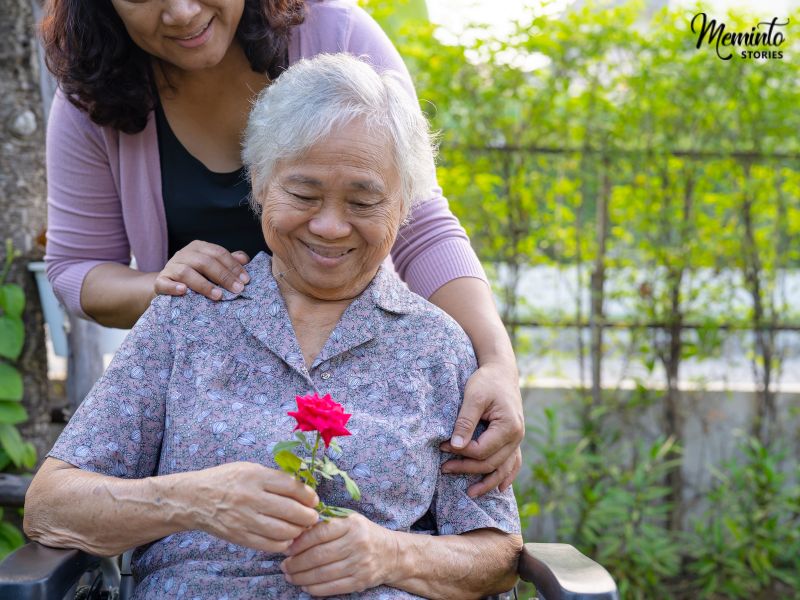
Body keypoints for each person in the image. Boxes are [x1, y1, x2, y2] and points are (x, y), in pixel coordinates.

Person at [25, 53, 523, 599]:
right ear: (260, 184)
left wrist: (392, 553)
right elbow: (50, 505)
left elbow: (496, 555)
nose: (330, 226)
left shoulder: (439, 347)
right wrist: (193, 500)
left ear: (403, 207)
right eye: (304, 195)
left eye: (363, 201)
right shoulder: (189, 316)